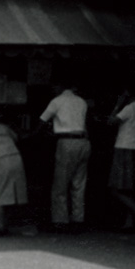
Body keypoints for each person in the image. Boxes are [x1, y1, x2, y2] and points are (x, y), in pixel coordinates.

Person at [38, 81, 91, 232]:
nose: (53, 89)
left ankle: (60, 221)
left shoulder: (57, 101)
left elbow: (42, 121)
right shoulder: (81, 101)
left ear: (60, 86)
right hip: (84, 142)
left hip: (66, 142)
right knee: (79, 184)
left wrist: (31, 134)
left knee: (60, 184)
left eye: (54, 86)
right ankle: (78, 220)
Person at [107, 87, 135, 230]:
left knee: (116, 189)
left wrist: (118, 104)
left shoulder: (129, 108)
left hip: (123, 148)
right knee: (127, 189)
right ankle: (129, 221)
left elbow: (110, 121)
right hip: (133, 148)